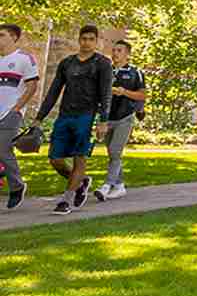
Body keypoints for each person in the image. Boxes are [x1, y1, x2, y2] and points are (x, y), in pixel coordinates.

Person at [34, 24, 114, 215]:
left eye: (91, 39)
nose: (86, 42)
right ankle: (81, 181)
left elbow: (106, 94)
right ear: (79, 40)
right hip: (64, 116)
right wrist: (39, 117)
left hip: (86, 116)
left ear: (97, 41)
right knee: (55, 160)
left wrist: (103, 121)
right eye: (83, 39)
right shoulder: (67, 63)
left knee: (79, 157)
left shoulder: (102, 63)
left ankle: (66, 200)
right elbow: (53, 91)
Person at [89, 40, 146, 202]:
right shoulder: (106, 71)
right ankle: (119, 186)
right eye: (113, 50)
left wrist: (124, 92)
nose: (115, 53)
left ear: (127, 54)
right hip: (107, 118)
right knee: (112, 154)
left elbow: (142, 95)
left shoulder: (136, 72)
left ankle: (107, 186)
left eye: (119, 50)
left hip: (125, 117)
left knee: (115, 151)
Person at [0, 23, 40, 210]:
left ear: (14, 37)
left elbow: (32, 86)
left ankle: (17, 187)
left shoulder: (24, 59)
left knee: (3, 150)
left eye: (2, 35)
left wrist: (18, 108)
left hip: (11, 113)